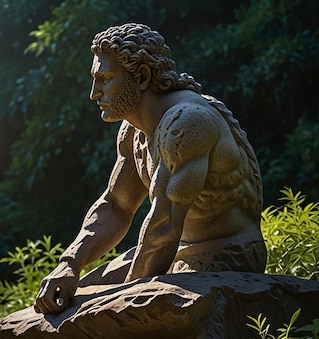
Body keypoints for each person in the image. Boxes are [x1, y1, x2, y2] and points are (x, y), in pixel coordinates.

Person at [34, 23, 266, 314]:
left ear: (141, 77)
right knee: (73, 294)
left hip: (229, 257)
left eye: (104, 79)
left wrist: (122, 301)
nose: (94, 93)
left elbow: (165, 224)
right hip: (179, 251)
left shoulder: (187, 123)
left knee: (93, 311)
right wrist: (70, 264)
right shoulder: (133, 131)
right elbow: (116, 206)